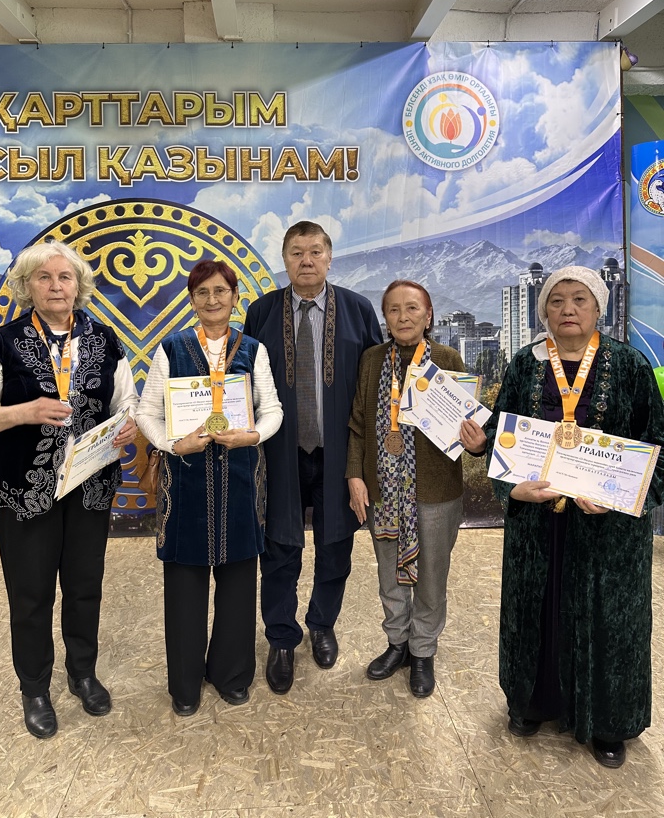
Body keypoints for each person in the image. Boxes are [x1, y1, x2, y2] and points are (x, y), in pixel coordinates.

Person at [0, 241, 138, 739]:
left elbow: (128, 401)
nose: (56, 286)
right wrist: (24, 412)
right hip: (24, 490)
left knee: (84, 587)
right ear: (27, 287)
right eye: (44, 277)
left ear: (78, 286)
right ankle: (34, 687)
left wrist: (128, 425)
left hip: (90, 486)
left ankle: (82, 673)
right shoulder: (3, 341)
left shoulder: (105, 339)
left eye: (65, 277)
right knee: (30, 593)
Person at [485, 265, 664, 768]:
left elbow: (658, 446)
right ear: (542, 311)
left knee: (608, 619)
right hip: (537, 524)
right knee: (535, 610)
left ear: (598, 308)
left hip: (608, 531)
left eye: (579, 299)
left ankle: (609, 721)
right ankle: (531, 703)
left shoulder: (628, 366)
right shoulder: (524, 366)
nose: (568, 309)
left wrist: (620, 497)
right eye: (557, 300)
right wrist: (510, 486)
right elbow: (502, 435)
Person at [136, 260, 282, 716]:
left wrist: (252, 436)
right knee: (184, 589)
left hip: (239, 482)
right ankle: (185, 685)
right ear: (192, 300)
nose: (213, 300)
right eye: (203, 293)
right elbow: (146, 413)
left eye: (221, 291)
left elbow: (273, 410)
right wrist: (171, 444)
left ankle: (231, 675)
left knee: (238, 585)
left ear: (235, 297)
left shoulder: (253, 350)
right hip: (185, 485)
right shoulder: (171, 348)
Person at [243, 221, 382, 694]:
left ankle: (322, 624)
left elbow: (374, 386)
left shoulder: (358, 310)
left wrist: (364, 462)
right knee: (279, 546)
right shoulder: (261, 312)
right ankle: (281, 637)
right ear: (284, 259)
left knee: (336, 544)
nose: (306, 260)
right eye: (297, 252)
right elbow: (245, 383)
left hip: (339, 452)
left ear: (329, 257)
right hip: (278, 450)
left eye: (315, 251)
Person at [347, 280, 486, 697]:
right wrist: (355, 476)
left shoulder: (447, 359)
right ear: (385, 318)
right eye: (393, 309)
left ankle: (422, 650)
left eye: (412, 309)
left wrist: (475, 442)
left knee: (431, 576)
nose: (403, 317)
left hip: (436, 491)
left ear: (428, 316)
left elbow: (467, 426)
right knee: (389, 574)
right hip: (383, 490)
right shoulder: (372, 360)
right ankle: (397, 643)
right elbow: (357, 425)